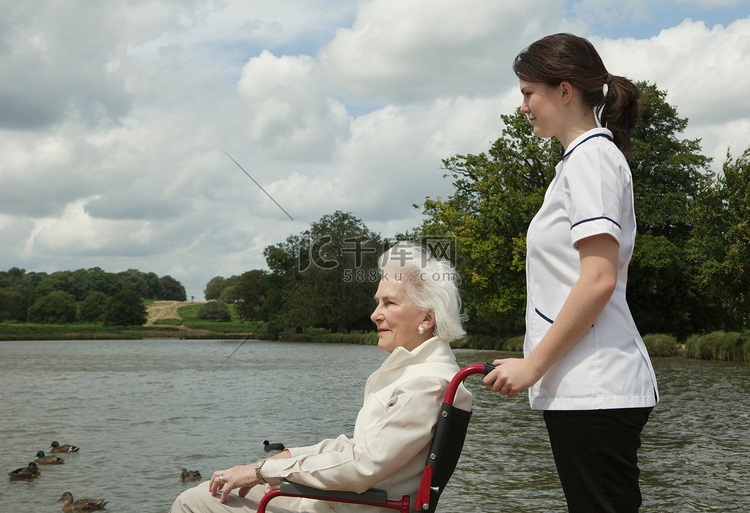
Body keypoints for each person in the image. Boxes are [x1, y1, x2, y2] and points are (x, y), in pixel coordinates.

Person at [483, 33, 659, 512]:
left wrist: (533, 365)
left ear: (564, 90)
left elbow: (598, 279)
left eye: (527, 93)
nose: (522, 106)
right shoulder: (577, 163)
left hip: (597, 387)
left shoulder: (593, 160)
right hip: (584, 388)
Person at [170, 243, 472, 513]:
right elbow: (357, 449)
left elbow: (362, 466)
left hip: (349, 507)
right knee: (206, 491)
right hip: (338, 501)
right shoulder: (425, 372)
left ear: (427, 318)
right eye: (378, 302)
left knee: (192, 502)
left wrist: (264, 470)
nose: (374, 314)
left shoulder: (425, 383)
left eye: (389, 303)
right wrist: (280, 461)